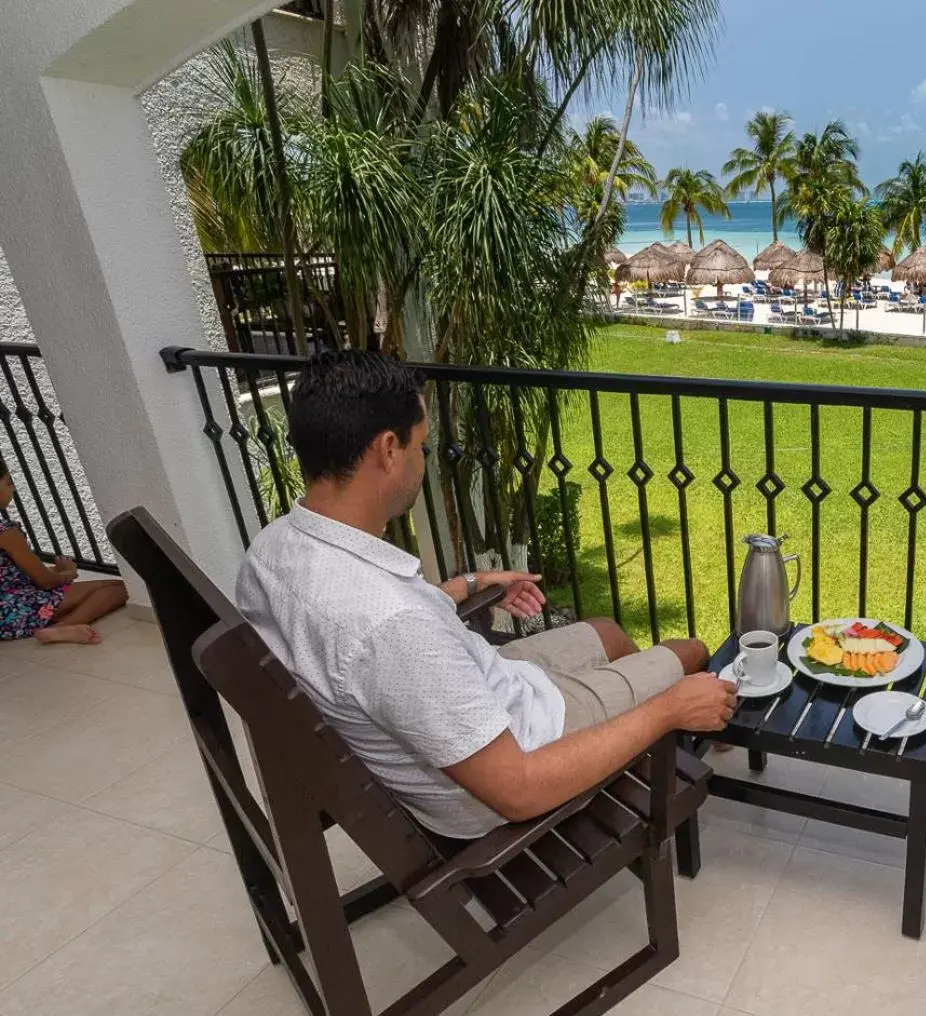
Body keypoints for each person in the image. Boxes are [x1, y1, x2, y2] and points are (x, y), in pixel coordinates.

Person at [237, 350, 736, 841]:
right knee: (687, 654)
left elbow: (375, 641)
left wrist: (467, 588)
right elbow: (518, 789)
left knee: (606, 632)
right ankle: (653, 752)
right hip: (518, 758)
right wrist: (668, 710)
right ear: (388, 449)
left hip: (481, 690)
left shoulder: (275, 549)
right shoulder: (394, 627)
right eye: (421, 446)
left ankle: (637, 740)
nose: (422, 461)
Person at [0, 456, 128, 644]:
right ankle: (59, 629)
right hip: (11, 610)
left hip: (10, 603)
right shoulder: (5, 532)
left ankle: (54, 619)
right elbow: (45, 582)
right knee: (121, 588)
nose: (13, 489)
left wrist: (55, 572)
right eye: (8, 483)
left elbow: (10, 575)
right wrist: (68, 573)